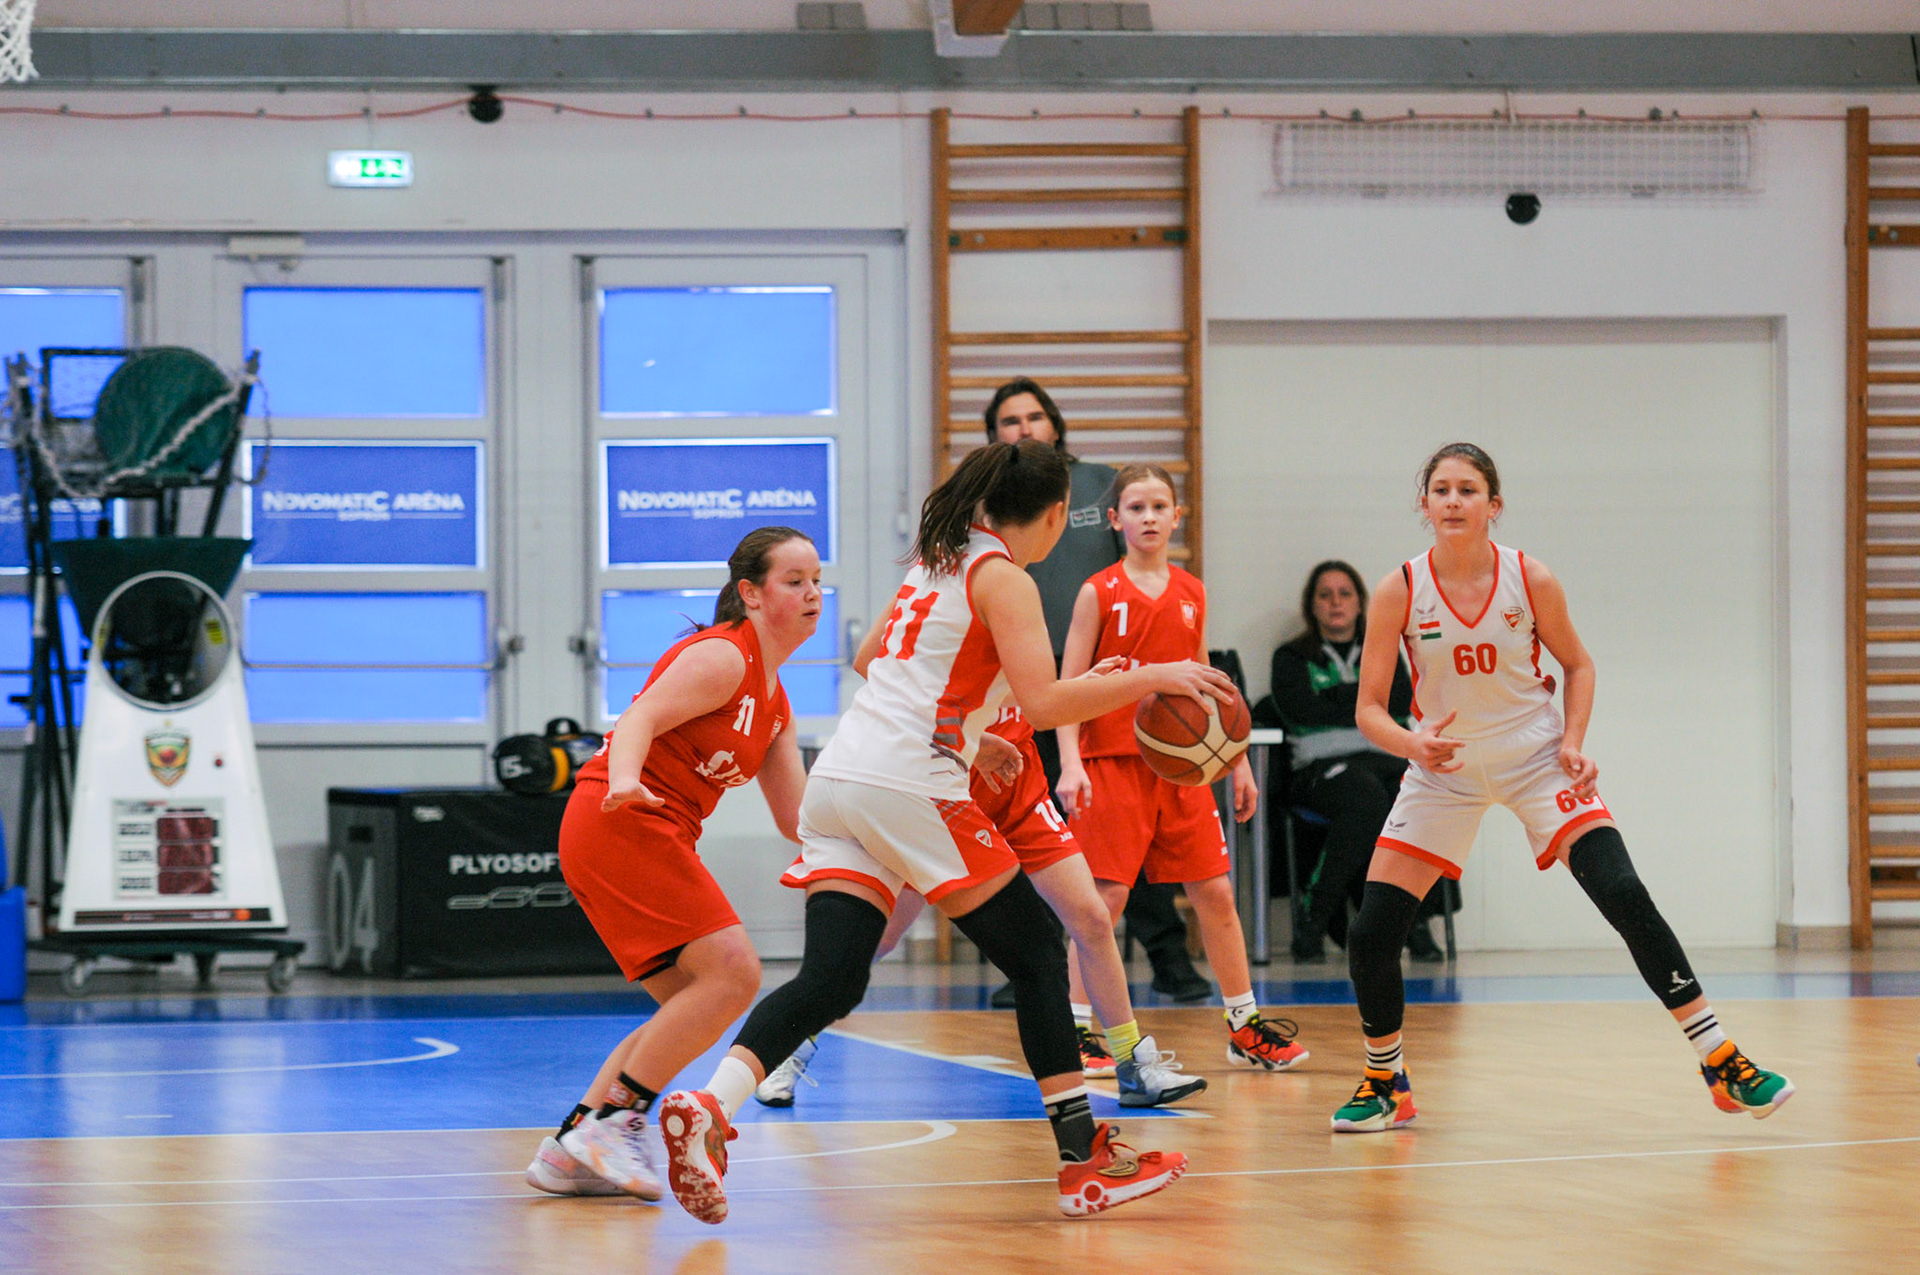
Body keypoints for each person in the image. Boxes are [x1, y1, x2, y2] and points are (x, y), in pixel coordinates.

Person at [659, 440, 1229, 1223]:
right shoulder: (1005, 578)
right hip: (908, 783)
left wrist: (972, 729)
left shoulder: (939, 559)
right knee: (1038, 951)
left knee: (833, 978)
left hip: (841, 779)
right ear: (1056, 513)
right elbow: (1046, 703)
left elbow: (874, 659)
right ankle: (1084, 1159)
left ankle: (711, 1106)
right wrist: (1156, 675)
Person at [1330, 442, 1793, 1133]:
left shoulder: (1530, 577)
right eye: (1441, 489)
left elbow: (1578, 665)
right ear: (1424, 504)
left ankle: (1720, 1058)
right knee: (1372, 933)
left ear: (1494, 504)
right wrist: (1411, 743)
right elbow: (1369, 707)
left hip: (1536, 758)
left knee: (1623, 891)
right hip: (1444, 770)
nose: (1453, 500)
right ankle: (1384, 1080)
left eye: (1467, 489)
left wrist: (1572, 740)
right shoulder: (1399, 588)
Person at [523, 527, 818, 1201]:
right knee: (736, 973)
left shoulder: (775, 703)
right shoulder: (724, 656)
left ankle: (570, 1148)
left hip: (639, 832)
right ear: (750, 593)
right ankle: (617, 1124)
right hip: (619, 818)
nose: (811, 594)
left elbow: (796, 820)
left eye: (816, 581)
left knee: (690, 1003)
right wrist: (627, 779)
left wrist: (881, 841)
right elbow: (640, 716)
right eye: (794, 581)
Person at [755, 707, 1208, 1110]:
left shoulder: (1023, 641)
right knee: (881, 935)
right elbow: (882, 677)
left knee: (1091, 916)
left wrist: (1096, 687)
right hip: (944, 785)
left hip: (1016, 781)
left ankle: (1133, 1064)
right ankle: (790, 1045)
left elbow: (1044, 697)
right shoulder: (934, 642)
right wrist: (972, 739)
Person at [1056, 463, 1309, 1073]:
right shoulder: (1098, 591)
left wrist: (1237, 761)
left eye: (1158, 507)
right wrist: (1069, 763)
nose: (1148, 517)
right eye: (1135, 508)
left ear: (1177, 516)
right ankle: (1077, 1030)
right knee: (1104, 901)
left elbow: (1209, 688)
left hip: (1181, 771)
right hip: (1110, 761)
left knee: (1216, 893)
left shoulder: (1192, 591)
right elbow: (1067, 686)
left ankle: (1244, 1026)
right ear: (1114, 520)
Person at [986, 378, 1210, 1006]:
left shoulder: (1098, 484)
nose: (1024, 428)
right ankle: (1035, 967)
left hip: (1107, 677)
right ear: (994, 435)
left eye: (1034, 416)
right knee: (1031, 823)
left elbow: (1134, 574)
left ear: (1055, 424)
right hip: (1022, 677)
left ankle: (1169, 959)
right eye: (1009, 420)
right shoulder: (992, 499)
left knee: (1129, 829)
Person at [1270, 560, 1452, 963]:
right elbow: (1300, 710)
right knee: (1365, 795)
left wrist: (1336, 698)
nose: (1336, 602)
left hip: (1383, 760)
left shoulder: (1383, 649)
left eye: (1345, 594)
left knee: (1417, 795)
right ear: (1312, 605)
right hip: (1320, 770)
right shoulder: (1291, 656)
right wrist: (1367, 701)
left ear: (1359, 602)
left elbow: (1400, 700)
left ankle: (1411, 920)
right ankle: (1316, 918)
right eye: (1325, 595)